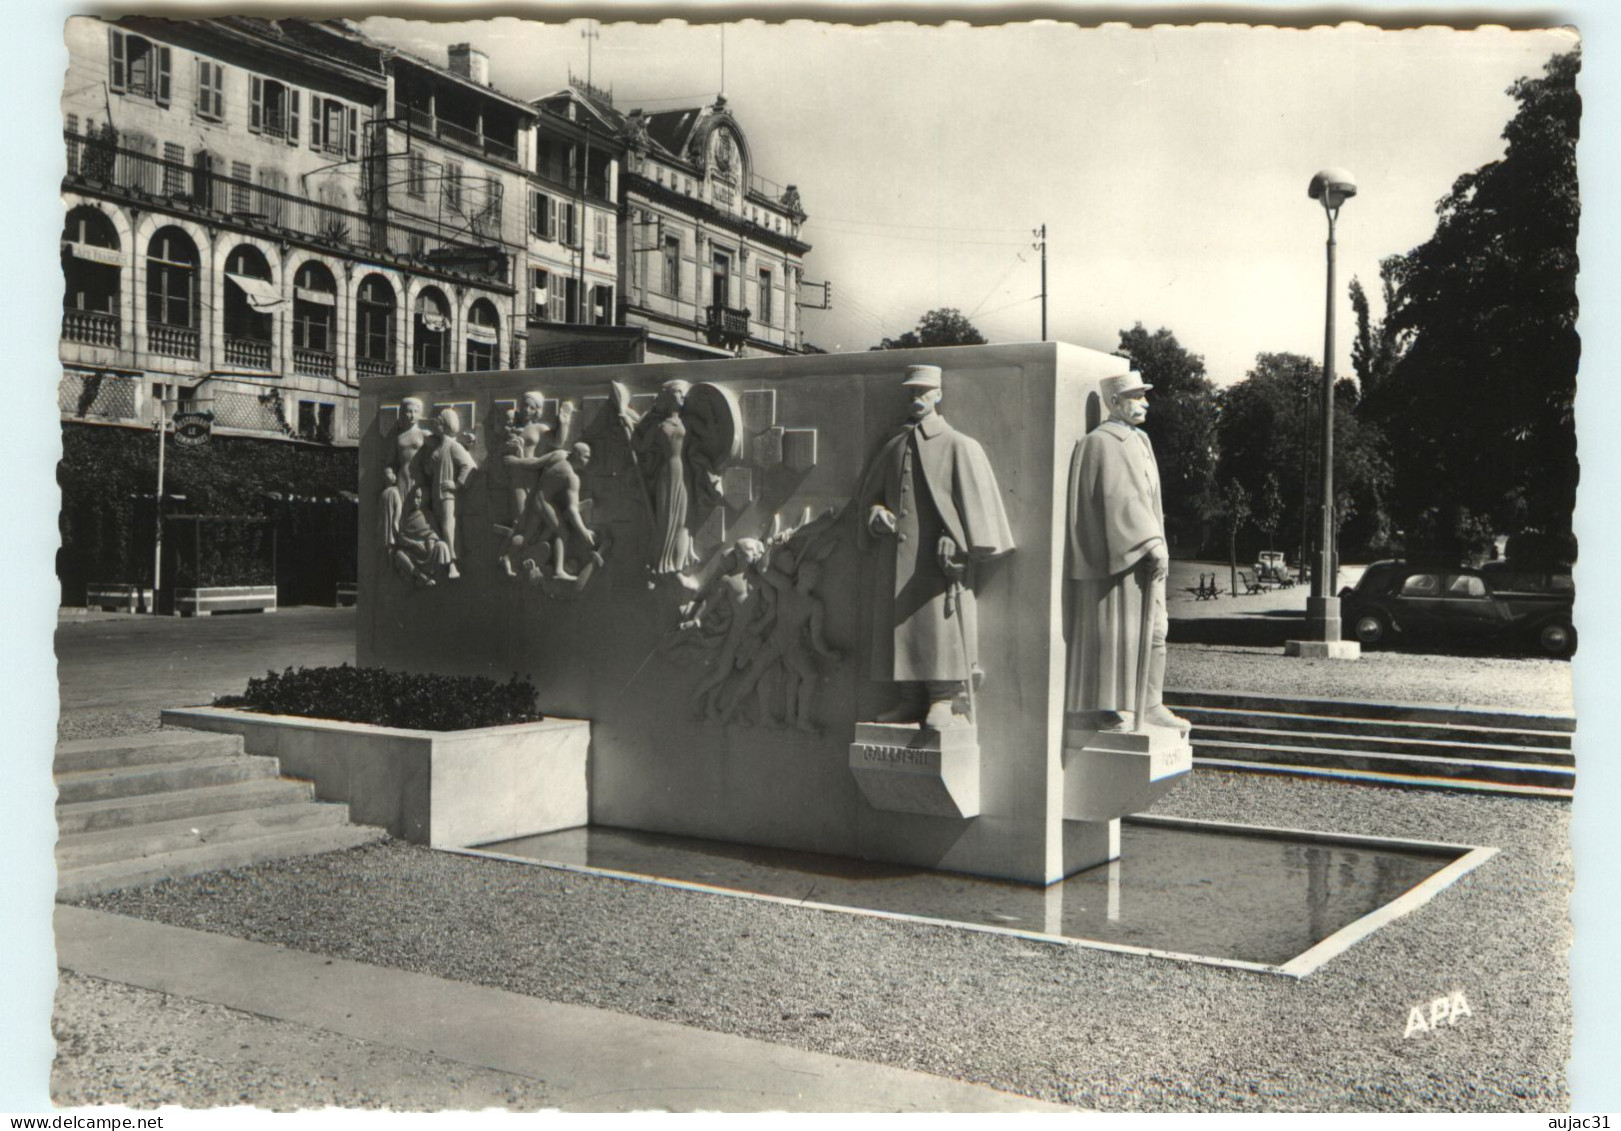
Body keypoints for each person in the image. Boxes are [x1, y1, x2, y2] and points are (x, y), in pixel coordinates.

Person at [855, 365, 1015, 730]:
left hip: (937, 563)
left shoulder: (959, 445)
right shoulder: (893, 444)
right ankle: (909, 698)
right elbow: (873, 497)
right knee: (902, 629)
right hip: (897, 560)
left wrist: (957, 540)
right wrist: (876, 514)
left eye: (924, 392)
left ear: (938, 395)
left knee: (937, 628)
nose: (916, 399)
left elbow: (978, 511)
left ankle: (943, 697)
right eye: (911, 392)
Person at [1065, 372, 1189, 731]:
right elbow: (1118, 499)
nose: (1145, 403)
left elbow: (1146, 498)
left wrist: (1155, 542)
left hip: (1144, 552)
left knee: (1155, 630)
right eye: (1136, 397)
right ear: (1114, 402)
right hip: (1117, 558)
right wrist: (1150, 541)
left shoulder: (1140, 440)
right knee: (1115, 631)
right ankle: (1107, 708)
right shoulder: (1100, 442)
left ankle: (1150, 703)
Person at [499, 443, 599, 581]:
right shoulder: (572, 477)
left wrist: (517, 462)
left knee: (527, 536)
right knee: (563, 532)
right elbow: (572, 509)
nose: (588, 460)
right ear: (576, 455)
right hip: (544, 502)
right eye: (586, 457)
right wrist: (584, 531)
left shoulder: (559, 455)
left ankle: (507, 557)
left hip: (535, 499)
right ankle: (559, 570)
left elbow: (535, 462)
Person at [632, 379, 700, 579]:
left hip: (685, 473)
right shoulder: (659, 426)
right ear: (670, 396)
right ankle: (663, 563)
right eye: (679, 393)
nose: (683, 397)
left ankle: (680, 563)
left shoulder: (689, 423)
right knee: (666, 519)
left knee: (683, 520)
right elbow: (641, 447)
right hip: (667, 473)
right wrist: (630, 429)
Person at [424, 408, 476, 580]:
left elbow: (470, 466)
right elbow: (429, 471)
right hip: (436, 496)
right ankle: (442, 562)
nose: (436, 425)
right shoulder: (439, 447)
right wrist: (431, 461)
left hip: (448, 497)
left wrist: (457, 485)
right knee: (439, 529)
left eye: (439, 421)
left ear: (446, 425)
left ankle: (453, 564)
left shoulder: (453, 446)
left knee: (448, 529)